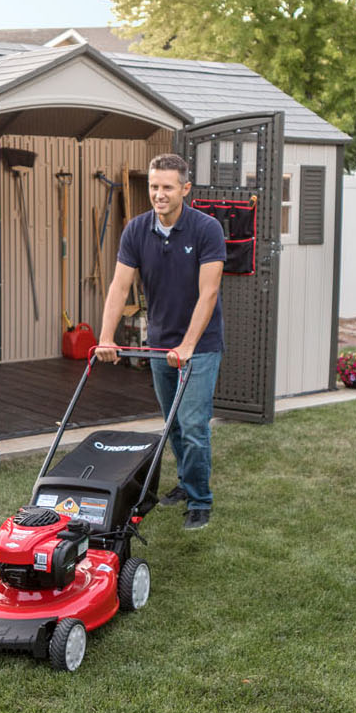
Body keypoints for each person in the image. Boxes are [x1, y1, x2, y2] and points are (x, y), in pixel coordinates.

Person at [95, 153, 225, 531]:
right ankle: (186, 482)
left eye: (167, 187)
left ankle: (199, 500)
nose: (159, 194)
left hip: (200, 346)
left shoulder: (207, 229)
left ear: (185, 189)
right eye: (154, 186)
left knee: (194, 425)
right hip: (159, 344)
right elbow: (119, 287)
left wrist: (187, 345)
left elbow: (209, 293)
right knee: (173, 424)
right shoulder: (136, 230)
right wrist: (106, 337)